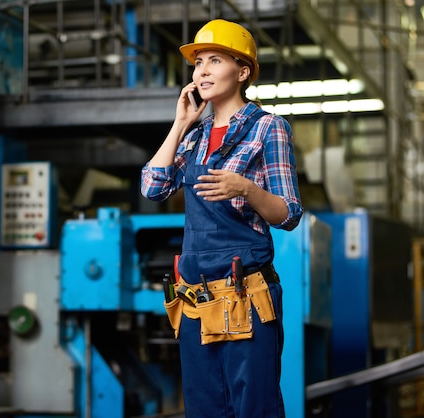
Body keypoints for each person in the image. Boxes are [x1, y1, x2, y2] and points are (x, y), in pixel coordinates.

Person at [140, 19, 304, 417]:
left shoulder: (268, 129)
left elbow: (289, 214)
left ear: (242, 72)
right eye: (198, 63)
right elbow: (152, 186)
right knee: (204, 407)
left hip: (246, 294)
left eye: (215, 60)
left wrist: (245, 188)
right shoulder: (193, 138)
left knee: (253, 406)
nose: (203, 71)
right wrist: (180, 124)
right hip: (195, 299)